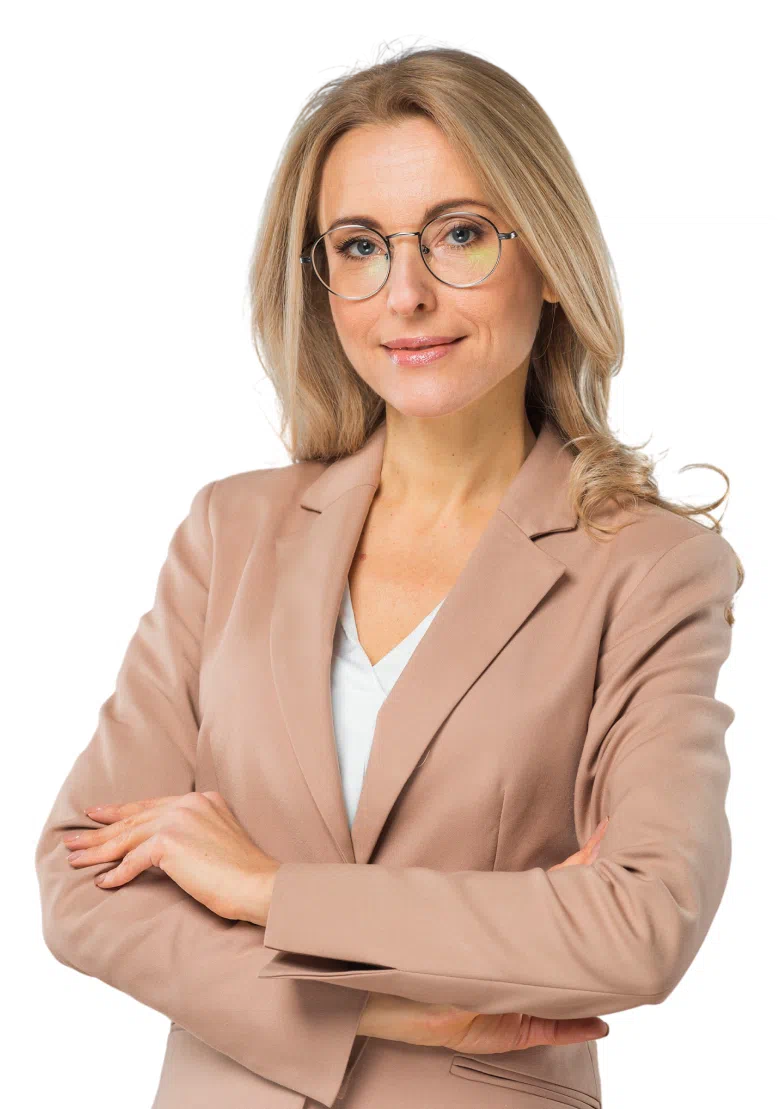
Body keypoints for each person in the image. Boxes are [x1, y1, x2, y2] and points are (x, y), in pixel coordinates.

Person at [36, 39, 743, 1109]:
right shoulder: (232, 531)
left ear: (550, 257)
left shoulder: (651, 567)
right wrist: (380, 1006)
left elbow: (639, 924)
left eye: (460, 234)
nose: (404, 294)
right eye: (360, 246)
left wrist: (267, 888)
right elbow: (83, 884)